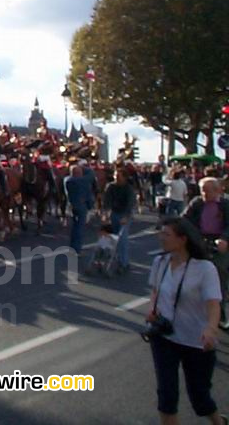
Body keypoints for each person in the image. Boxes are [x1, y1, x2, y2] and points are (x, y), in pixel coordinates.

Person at [146, 217, 225, 425]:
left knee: (200, 397)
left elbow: (213, 303)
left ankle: (219, 421)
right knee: (167, 394)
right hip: (164, 337)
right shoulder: (160, 262)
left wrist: (210, 329)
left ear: (183, 239)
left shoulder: (205, 268)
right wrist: (152, 310)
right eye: (160, 233)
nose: (161, 238)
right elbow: (155, 291)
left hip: (196, 341)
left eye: (166, 234)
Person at [182, 177, 229, 328]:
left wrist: (223, 239)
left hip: (219, 242)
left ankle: (220, 312)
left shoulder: (225, 205)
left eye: (208, 190)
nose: (204, 193)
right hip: (201, 240)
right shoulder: (197, 203)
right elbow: (185, 219)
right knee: (191, 272)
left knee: (218, 273)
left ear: (217, 191)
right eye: (202, 190)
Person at [103, 169, 135, 273]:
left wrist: (126, 216)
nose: (116, 178)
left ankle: (124, 263)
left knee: (122, 239)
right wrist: (106, 213)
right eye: (115, 176)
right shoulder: (111, 187)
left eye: (119, 176)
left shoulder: (128, 188)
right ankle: (110, 259)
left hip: (124, 214)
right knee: (111, 238)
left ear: (124, 177)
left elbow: (130, 203)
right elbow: (107, 201)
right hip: (114, 213)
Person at [64, 165, 94, 255]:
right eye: (80, 172)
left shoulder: (68, 180)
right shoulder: (82, 181)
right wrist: (83, 166)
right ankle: (77, 249)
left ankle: (72, 248)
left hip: (73, 206)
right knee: (79, 228)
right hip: (81, 206)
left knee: (75, 228)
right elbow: (91, 174)